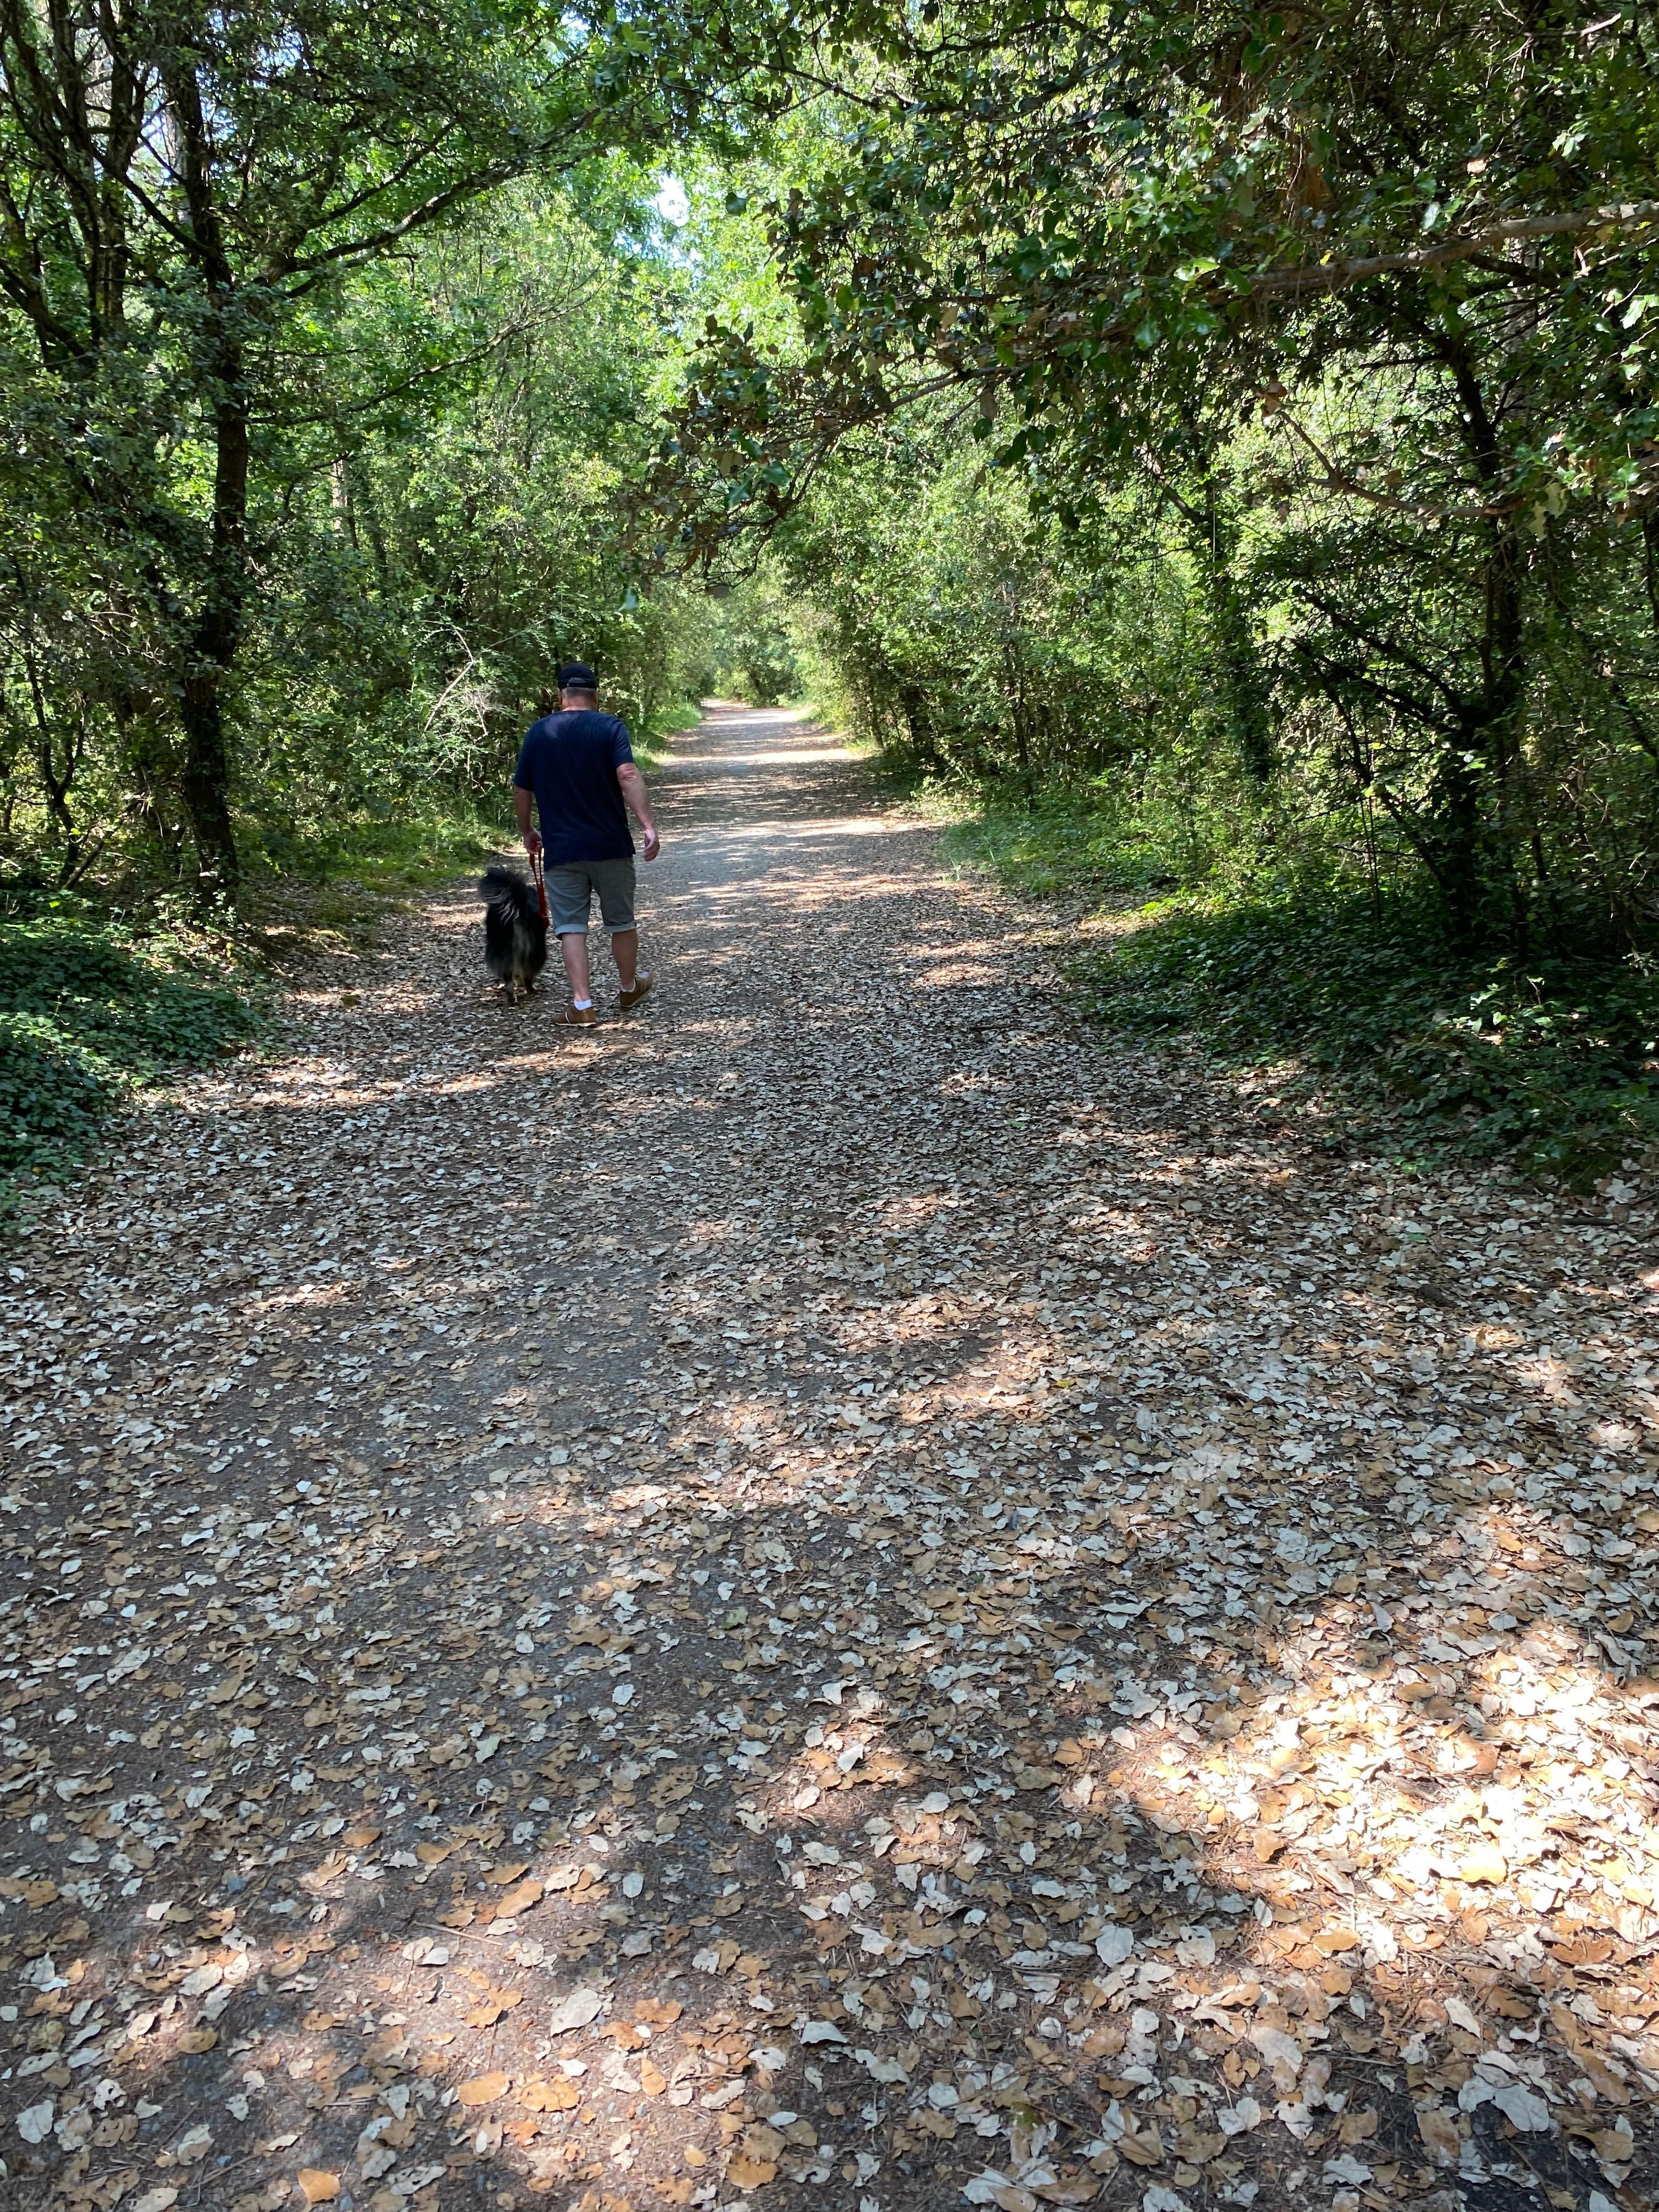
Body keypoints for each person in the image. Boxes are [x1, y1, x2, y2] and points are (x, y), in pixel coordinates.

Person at [512, 662, 661, 1025]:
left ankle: (583, 1006)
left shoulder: (539, 732)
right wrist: (648, 825)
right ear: (596, 696)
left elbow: (521, 787)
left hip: (563, 850)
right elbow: (628, 774)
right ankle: (628, 988)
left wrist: (527, 830)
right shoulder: (609, 727)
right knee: (621, 921)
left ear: (561, 695)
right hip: (610, 845)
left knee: (571, 926)